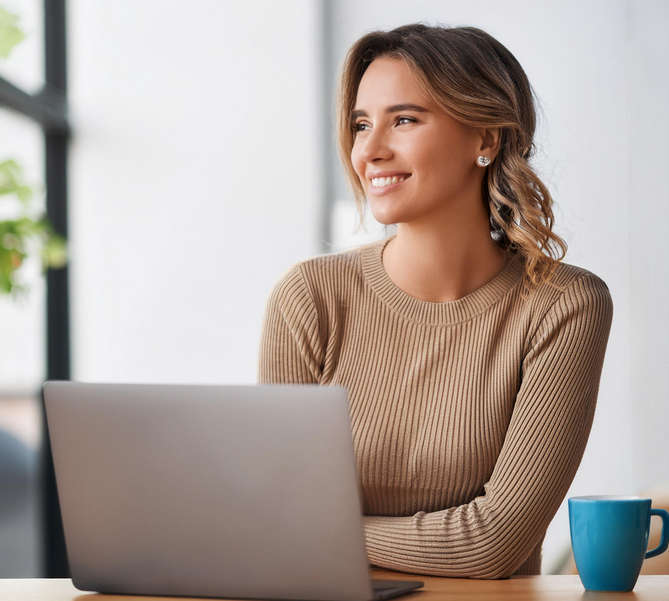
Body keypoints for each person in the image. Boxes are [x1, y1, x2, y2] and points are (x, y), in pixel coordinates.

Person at [257, 23, 613, 579]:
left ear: (486, 139)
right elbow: (273, 518)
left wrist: (317, 534)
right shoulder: (309, 298)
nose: (369, 151)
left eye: (403, 120)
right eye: (359, 124)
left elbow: (495, 542)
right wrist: (289, 530)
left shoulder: (563, 305)